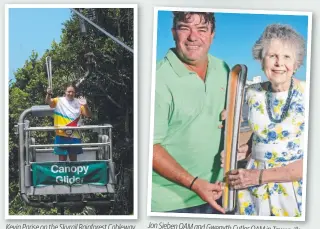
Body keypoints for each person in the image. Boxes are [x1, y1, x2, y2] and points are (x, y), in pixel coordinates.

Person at [222, 24, 306, 217]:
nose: (279, 63)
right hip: (252, 188)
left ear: (297, 64)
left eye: (286, 57)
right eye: (272, 56)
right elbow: (264, 131)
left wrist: (259, 177)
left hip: (292, 188)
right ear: (261, 61)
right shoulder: (252, 93)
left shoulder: (309, 94)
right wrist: (248, 147)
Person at [152, 11, 230, 214]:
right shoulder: (157, 79)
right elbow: (149, 148)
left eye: (202, 29)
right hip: (171, 204)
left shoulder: (224, 69)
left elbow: (227, 119)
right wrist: (194, 183)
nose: (193, 37)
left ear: (212, 34)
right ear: (173, 32)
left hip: (221, 193)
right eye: (184, 28)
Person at [45, 83, 92, 161]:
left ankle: (74, 173)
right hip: (61, 134)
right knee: (62, 160)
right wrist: (48, 93)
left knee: (73, 160)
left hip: (75, 135)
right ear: (65, 92)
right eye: (69, 91)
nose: (70, 93)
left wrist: (86, 106)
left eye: (72, 92)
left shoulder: (79, 102)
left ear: (75, 93)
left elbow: (88, 115)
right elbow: (48, 101)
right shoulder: (58, 100)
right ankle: (62, 173)